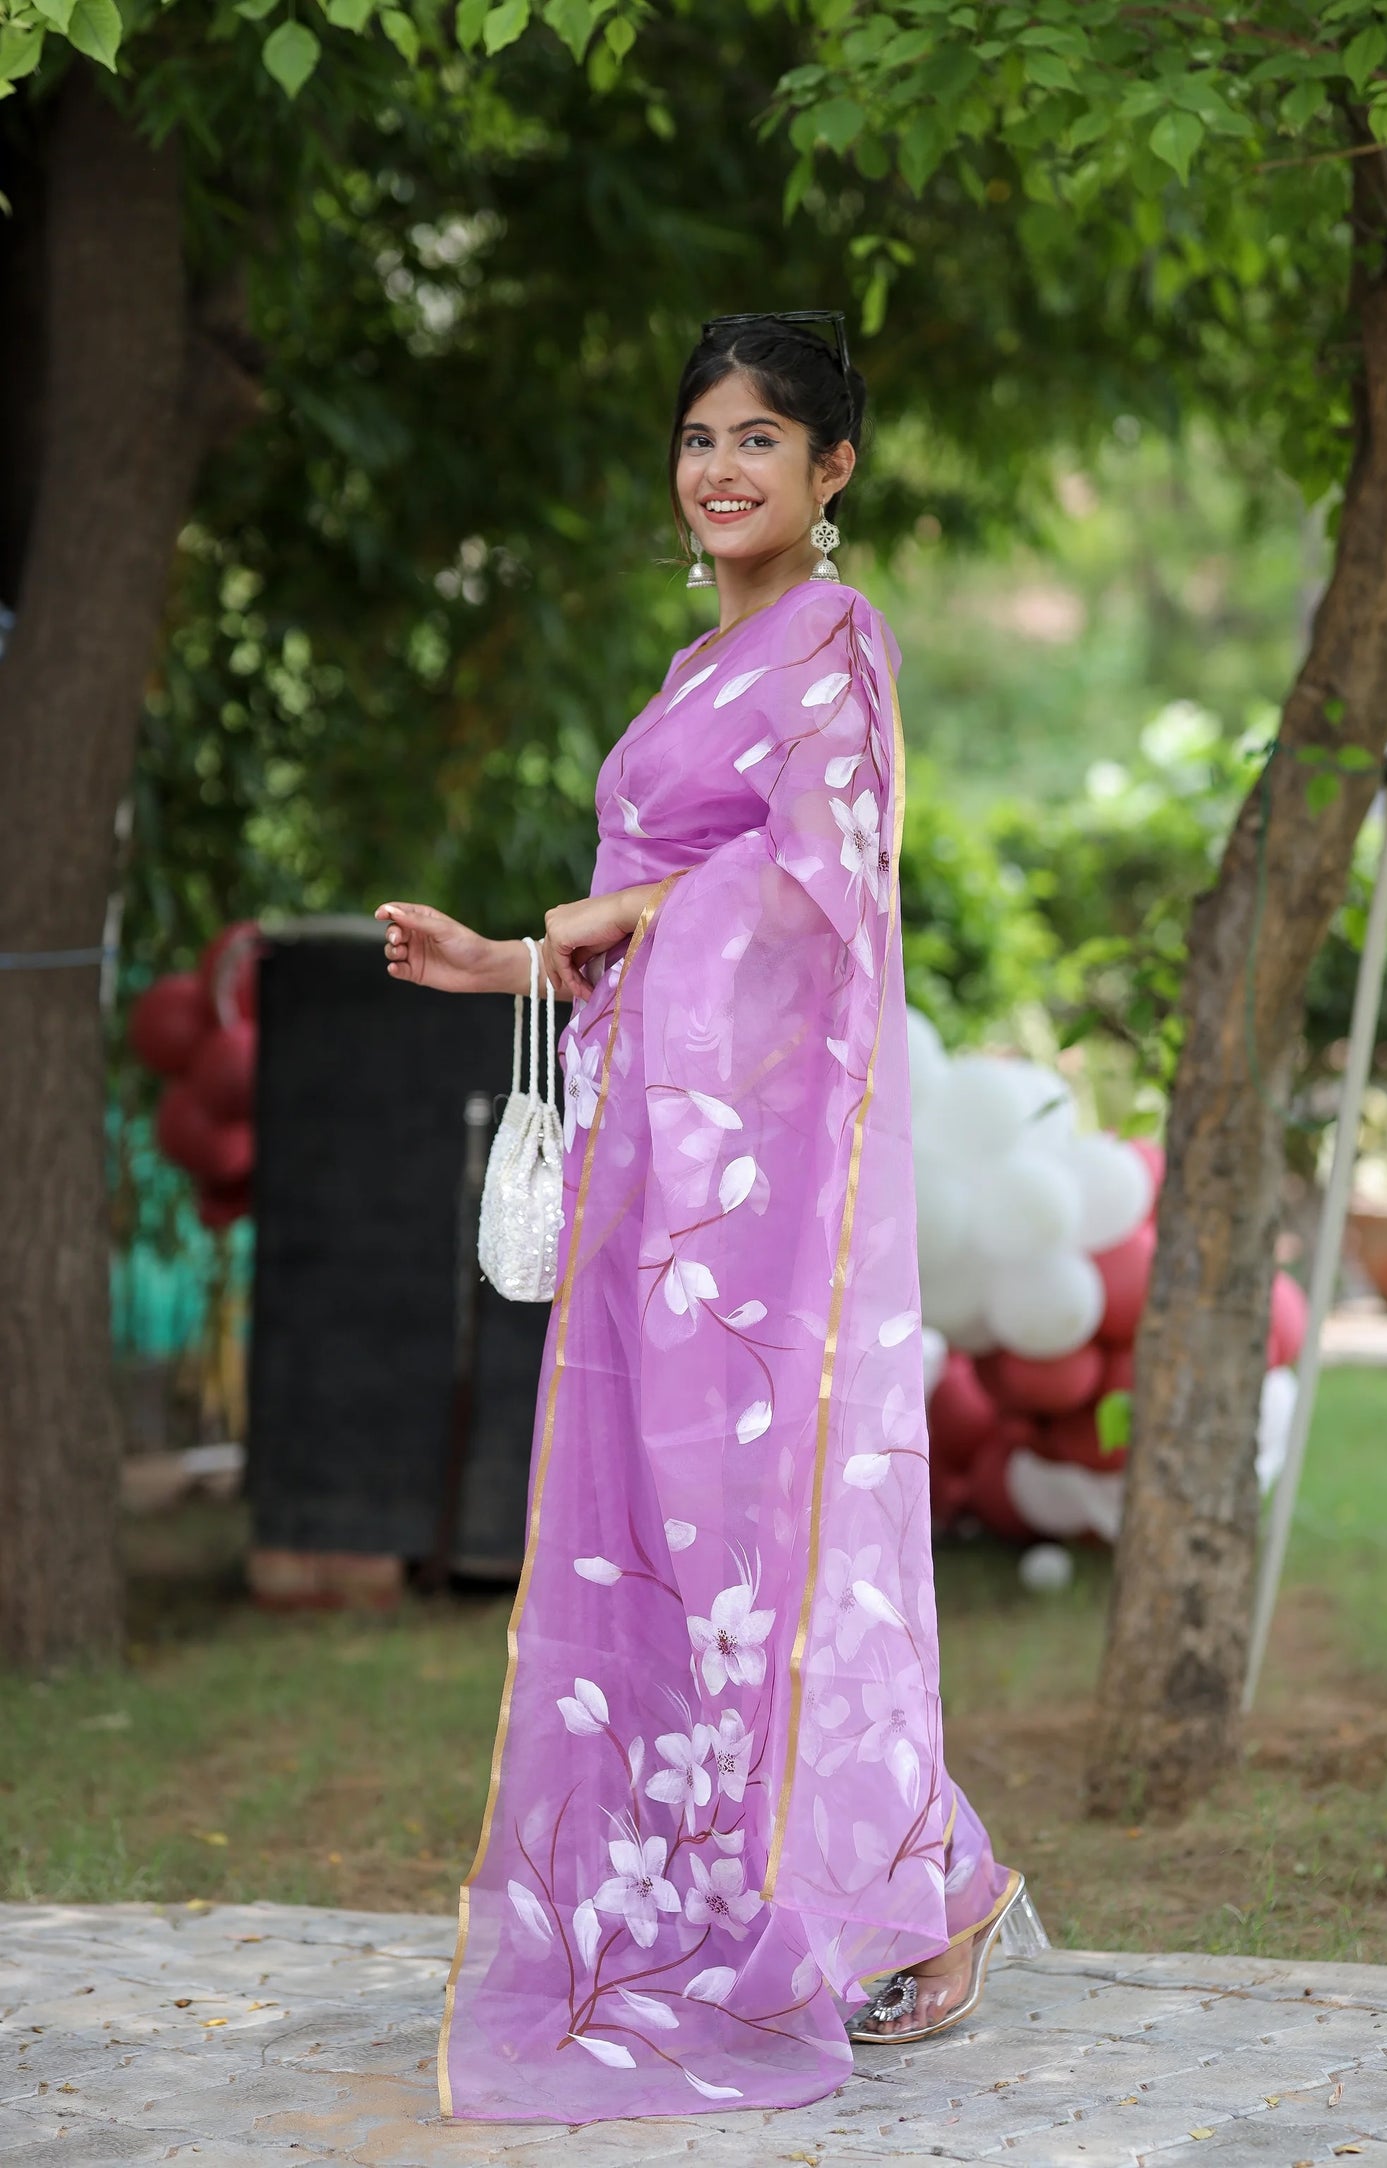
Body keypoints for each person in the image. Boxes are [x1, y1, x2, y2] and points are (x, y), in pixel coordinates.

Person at [374, 312, 1031, 2125]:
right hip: (662, 1172)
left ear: (833, 475)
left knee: (774, 1547)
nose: (721, 468)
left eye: (761, 440)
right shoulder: (691, 670)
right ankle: (747, 1898)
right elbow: (639, 915)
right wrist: (506, 960)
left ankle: (929, 1882)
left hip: (764, 1199)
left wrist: (613, 930)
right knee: (680, 1546)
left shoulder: (834, 641)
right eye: (697, 439)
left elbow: (812, 893)